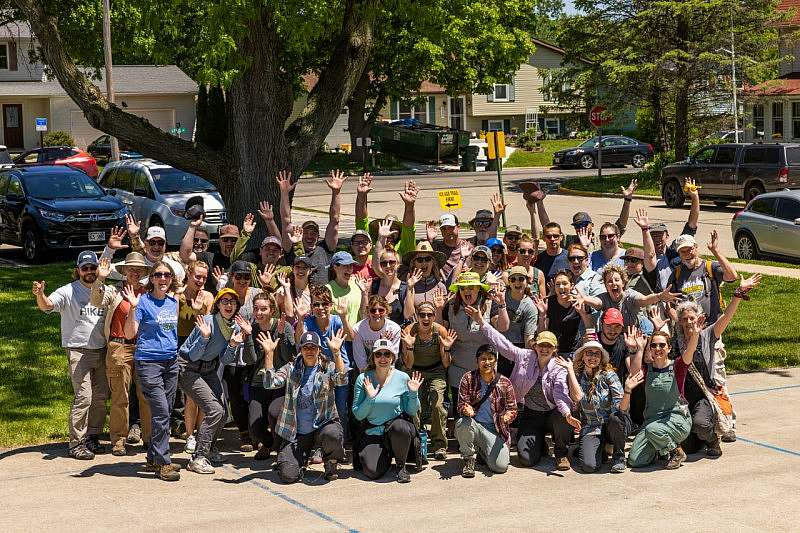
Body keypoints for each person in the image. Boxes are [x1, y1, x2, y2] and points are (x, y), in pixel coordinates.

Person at [474, 314, 576, 471]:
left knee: (563, 416)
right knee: (526, 460)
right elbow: (503, 344)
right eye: (541, 345)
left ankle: (561, 453)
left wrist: (567, 413)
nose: (544, 349)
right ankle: (540, 442)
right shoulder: (525, 356)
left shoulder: (558, 367)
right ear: (535, 346)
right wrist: (482, 322)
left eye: (549, 346)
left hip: (552, 414)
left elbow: (560, 395)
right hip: (531, 414)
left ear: (555, 349)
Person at [32, 251, 109, 460]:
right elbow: (48, 306)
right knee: (84, 397)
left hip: (101, 350)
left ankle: (93, 436)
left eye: (93, 267)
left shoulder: (104, 289)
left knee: (100, 398)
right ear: (78, 271)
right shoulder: (67, 291)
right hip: (78, 350)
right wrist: (40, 294)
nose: (89, 272)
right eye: (85, 268)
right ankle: (76, 442)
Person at [674, 274, 760, 457]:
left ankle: (713, 439)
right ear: (679, 322)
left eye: (692, 318)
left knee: (701, 425)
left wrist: (737, 294)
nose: (689, 322)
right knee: (689, 447)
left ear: (699, 318)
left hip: (705, 394)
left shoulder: (707, 335)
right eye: (684, 319)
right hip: (683, 398)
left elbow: (727, 316)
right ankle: (700, 436)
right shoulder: (675, 342)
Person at [178, 289, 256, 474]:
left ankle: (210, 449)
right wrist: (205, 337)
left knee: (222, 411)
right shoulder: (207, 322)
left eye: (232, 302)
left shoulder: (235, 327)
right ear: (218, 305)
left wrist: (234, 344)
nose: (229, 305)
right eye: (224, 301)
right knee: (214, 410)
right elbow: (193, 354)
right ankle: (198, 457)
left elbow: (226, 360)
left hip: (208, 368)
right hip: (188, 368)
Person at [260, 329, 348, 483]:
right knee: (288, 476)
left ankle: (331, 462)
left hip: (322, 426)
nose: (309, 351)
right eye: (306, 347)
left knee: (333, 434)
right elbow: (270, 383)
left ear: (319, 349)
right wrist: (269, 354)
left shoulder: (328, 367)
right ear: (300, 349)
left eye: (313, 347)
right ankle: (301, 461)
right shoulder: (290, 368)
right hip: (298, 432)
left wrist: (337, 352)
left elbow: (342, 380)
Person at [122, 261, 181, 481]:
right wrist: (134, 308)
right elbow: (130, 334)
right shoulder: (143, 302)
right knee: (162, 411)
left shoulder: (173, 303)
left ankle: (152, 457)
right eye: (158, 275)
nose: (163, 278)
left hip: (171, 363)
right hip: (148, 363)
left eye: (167, 275)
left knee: (161, 414)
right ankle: (163, 462)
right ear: (152, 279)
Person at [90, 253, 152, 456]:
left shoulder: (148, 293)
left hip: (144, 348)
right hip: (119, 347)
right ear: (124, 271)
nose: (135, 272)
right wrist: (100, 278)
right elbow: (96, 301)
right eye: (131, 268)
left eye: (139, 269)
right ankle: (118, 439)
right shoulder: (113, 291)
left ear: (144, 272)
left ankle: (150, 438)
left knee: (146, 395)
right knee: (120, 396)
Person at [352, 339, 424, 483]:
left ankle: (400, 466)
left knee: (400, 427)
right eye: (378, 354)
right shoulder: (363, 378)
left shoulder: (403, 377)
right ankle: (386, 455)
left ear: (393, 358)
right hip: (374, 431)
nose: (383, 358)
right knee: (372, 472)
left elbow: (411, 410)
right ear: (373, 358)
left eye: (387, 354)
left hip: (396, 428)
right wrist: (370, 398)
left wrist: (413, 393)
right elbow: (358, 414)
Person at [561, 340, 637, 473]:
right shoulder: (577, 376)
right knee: (589, 467)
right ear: (582, 356)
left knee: (616, 418)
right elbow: (577, 397)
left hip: (613, 425)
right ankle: (600, 449)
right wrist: (570, 371)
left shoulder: (609, 375)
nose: (593, 357)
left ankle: (618, 457)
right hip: (592, 426)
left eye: (597, 354)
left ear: (601, 358)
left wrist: (627, 390)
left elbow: (622, 409)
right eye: (589, 353)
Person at [625, 328, 693, 470]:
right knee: (635, 460)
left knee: (652, 430)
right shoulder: (647, 369)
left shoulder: (677, 366)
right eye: (654, 345)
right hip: (652, 423)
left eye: (662, 345)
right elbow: (634, 374)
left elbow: (689, 352)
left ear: (669, 348)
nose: (658, 348)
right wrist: (638, 349)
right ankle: (660, 448)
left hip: (676, 420)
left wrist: (696, 334)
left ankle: (676, 452)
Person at [400, 302, 457, 461]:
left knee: (438, 405)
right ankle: (416, 443)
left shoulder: (440, 331)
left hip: (436, 370)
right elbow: (409, 364)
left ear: (434, 316)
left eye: (429, 315)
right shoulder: (409, 331)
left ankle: (439, 445)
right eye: (422, 315)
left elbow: (446, 364)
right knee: (415, 406)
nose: (426, 318)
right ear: (417, 316)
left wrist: (446, 348)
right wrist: (410, 347)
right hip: (415, 370)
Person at [443, 272, 508, 401]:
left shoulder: (490, 304)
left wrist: (501, 305)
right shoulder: (450, 306)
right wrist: (439, 310)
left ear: (479, 289)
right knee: (461, 414)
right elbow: (442, 331)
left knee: (484, 413)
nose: (466, 291)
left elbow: (503, 327)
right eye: (462, 288)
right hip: (458, 370)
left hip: (486, 369)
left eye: (471, 287)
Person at [455, 345, 517, 477]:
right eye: (483, 359)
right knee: (463, 423)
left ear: (495, 361)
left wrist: (507, 416)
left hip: (496, 430)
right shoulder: (468, 378)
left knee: (500, 467)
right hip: (475, 426)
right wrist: (466, 410)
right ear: (477, 361)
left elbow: (513, 409)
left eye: (490, 359)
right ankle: (469, 459)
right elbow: (461, 405)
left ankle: (483, 452)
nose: (487, 362)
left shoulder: (505, 382)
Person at [277, 170, 346, 286]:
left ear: (318, 236)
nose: (309, 236)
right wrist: (284, 193)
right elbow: (285, 221)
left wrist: (336, 192)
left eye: (313, 233)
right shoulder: (292, 249)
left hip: (322, 301)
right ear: (300, 235)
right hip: (299, 299)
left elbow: (334, 220)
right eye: (306, 233)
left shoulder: (325, 248)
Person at [249, 293, 296, 460]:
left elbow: (288, 356)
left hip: (280, 381)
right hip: (258, 382)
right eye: (256, 309)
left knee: (274, 413)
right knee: (254, 427)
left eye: (263, 309)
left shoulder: (283, 326)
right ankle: (269, 444)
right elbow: (251, 360)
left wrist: (282, 336)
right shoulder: (252, 329)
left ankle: (282, 448)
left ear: (272, 310)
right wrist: (248, 338)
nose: (259, 313)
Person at [176, 260, 214, 453]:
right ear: (188, 275)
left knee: (201, 397)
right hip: (182, 348)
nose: (200, 280)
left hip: (202, 347)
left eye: (204, 278)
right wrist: (194, 308)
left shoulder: (208, 297)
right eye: (197, 276)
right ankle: (190, 435)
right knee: (191, 396)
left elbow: (208, 322)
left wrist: (201, 308)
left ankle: (201, 434)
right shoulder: (177, 296)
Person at [635, 179, 700, 290]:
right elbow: (650, 255)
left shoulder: (676, 250)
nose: (657, 239)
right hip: (657, 299)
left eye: (660, 235)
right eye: (653, 236)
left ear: (667, 236)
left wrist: (694, 198)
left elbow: (691, 224)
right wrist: (644, 229)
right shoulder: (646, 258)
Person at [667, 231, 738, 325]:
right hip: (687, 330)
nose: (687, 254)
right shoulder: (676, 273)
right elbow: (669, 303)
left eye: (690, 249)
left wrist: (715, 251)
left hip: (711, 327)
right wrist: (680, 322)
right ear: (679, 254)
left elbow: (732, 276)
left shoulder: (710, 267)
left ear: (696, 247)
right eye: (683, 251)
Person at [582, 264, 681, 328]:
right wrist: (583, 298)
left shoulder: (630, 295)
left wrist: (659, 296)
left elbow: (644, 299)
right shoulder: (604, 297)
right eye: (609, 281)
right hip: (616, 335)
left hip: (637, 330)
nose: (613, 283)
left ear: (623, 283)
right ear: (605, 285)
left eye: (617, 280)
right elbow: (596, 302)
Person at [356, 174, 418, 257]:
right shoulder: (370, 247)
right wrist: (361, 196)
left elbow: (409, 229)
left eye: (393, 228)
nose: (390, 232)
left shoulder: (403, 248)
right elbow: (361, 222)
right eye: (387, 227)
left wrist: (409, 206)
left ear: (400, 233)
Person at [533, 270, 589, 355]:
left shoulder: (578, 302)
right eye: (557, 284)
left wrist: (583, 313)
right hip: (552, 351)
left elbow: (590, 327)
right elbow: (541, 333)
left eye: (565, 283)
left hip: (573, 351)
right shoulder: (548, 303)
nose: (561, 287)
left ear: (572, 286)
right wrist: (542, 314)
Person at [500, 265, 539, 377]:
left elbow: (528, 337)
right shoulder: (502, 295)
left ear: (527, 281)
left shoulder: (530, 307)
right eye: (513, 279)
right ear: (509, 282)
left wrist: (527, 361)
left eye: (521, 279)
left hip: (517, 348)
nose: (517, 282)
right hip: (498, 344)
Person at [369, 223, 408, 325]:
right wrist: (381, 238)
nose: (388, 265)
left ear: (398, 264)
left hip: (397, 337)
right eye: (384, 263)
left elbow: (408, 316)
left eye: (392, 262)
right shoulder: (374, 285)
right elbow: (376, 261)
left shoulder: (404, 288)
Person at [352, 295, 402, 372]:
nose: (377, 313)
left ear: (387, 311)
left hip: (387, 367)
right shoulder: (358, 329)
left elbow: (393, 357)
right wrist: (366, 375)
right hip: (367, 366)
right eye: (373, 310)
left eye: (381, 310)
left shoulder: (394, 329)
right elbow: (360, 358)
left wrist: (384, 345)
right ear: (368, 311)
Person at [403, 242, 448, 321]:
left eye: (428, 259)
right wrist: (410, 288)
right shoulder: (409, 285)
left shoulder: (441, 287)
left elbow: (444, 319)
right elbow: (408, 316)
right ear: (414, 263)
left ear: (433, 262)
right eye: (419, 260)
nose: (424, 263)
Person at [428, 213, 473, 283]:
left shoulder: (467, 247)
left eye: (451, 227)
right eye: (444, 229)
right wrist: (430, 240)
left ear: (458, 227)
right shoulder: (436, 247)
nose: (448, 231)